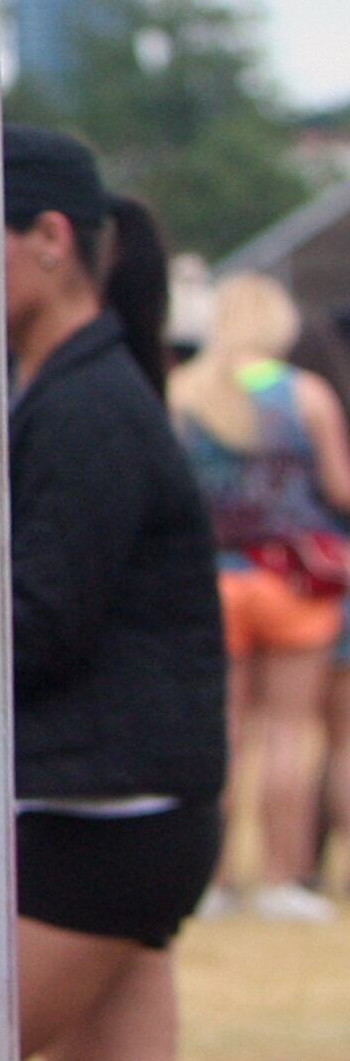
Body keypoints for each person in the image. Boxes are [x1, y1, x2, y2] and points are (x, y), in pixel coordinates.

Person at [1, 129, 233, 1061]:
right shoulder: (80, 386)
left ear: (49, 241)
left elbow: (41, 619)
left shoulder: (88, 406)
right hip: (132, 816)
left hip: (100, 818)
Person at [171, 268, 350, 918]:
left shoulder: (184, 390)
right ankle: (281, 876)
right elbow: (339, 488)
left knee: (226, 733)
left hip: (213, 580)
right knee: (288, 734)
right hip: (292, 583)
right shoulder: (305, 396)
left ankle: (215, 878)